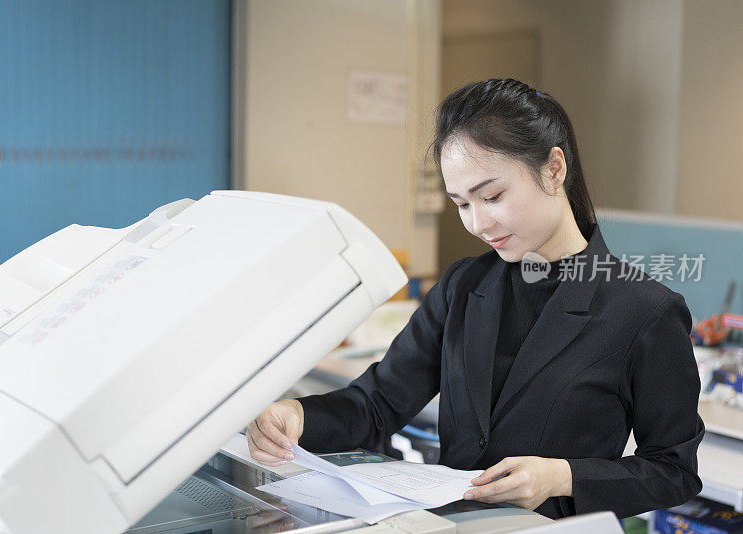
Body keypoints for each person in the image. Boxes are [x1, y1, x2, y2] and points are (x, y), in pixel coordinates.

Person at [245, 78, 704, 520]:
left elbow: (672, 470)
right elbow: (378, 403)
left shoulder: (644, 309)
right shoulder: (463, 285)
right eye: (462, 204)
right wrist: (297, 414)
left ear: (554, 168)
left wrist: (562, 476)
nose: (478, 224)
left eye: (492, 196)